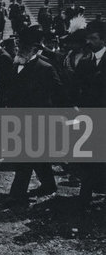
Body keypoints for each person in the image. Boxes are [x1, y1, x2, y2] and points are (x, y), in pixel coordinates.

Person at [6, 25, 63, 207]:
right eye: (19, 45)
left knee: (25, 157)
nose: (18, 49)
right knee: (37, 156)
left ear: (34, 49)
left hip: (38, 120)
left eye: (23, 46)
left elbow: (58, 93)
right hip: (19, 119)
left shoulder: (45, 68)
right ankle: (49, 184)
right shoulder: (16, 65)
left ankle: (17, 194)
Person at [75, 21, 106, 207]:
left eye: (93, 38)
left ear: (103, 40)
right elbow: (78, 87)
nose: (89, 42)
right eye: (88, 38)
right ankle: (85, 193)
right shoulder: (85, 62)